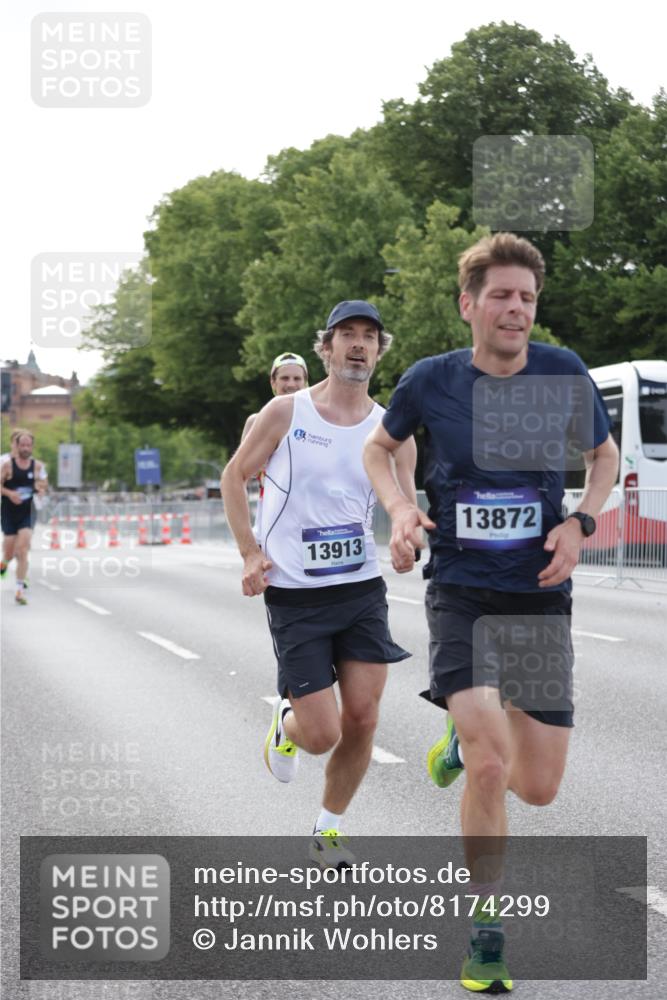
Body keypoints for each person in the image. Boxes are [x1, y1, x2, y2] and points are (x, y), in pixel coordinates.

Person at [364, 233, 619, 994]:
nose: (516, 309)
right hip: (463, 590)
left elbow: (603, 458)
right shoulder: (430, 380)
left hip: (538, 592)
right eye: (502, 295)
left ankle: (463, 726)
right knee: (489, 763)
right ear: (468, 303)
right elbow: (381, 449)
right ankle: (485, 931)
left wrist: (581, 522)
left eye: (527, 298)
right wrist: (402, 510)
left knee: (537, 787)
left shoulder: (561, 371)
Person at [222, 301, 416, 868]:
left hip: (359, 590)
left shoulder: (393, 432)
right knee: (322, 732)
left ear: (380, 351)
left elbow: (401, 503)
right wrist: (250, 553)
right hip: (296, 596)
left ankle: (327, 831)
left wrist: (407, 539)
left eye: (369, 337)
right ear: (324, 349)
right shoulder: (285, 413)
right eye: (346, 336)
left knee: (364, 717)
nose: (358, 345)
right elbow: (234, 476)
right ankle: (285, 726)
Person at [1, 430, 49, 605]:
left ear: (32, 446)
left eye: (29, 445)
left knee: (22, 549)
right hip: (8, 511)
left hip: (27, 512)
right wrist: (9, 493)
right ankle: (4, 563)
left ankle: (19, 589)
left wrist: (40, 487)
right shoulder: (6, 464)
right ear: (15, 445)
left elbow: (44, 482)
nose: (25, 448)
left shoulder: (37, 466)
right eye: (22, 445)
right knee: (9, 550)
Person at [241, 352, 309, 440]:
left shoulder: (317, 421)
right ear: (273, 383)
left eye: (297, 378)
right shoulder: (256, 422)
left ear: (305, 384)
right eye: (284, 378)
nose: (291, 384)